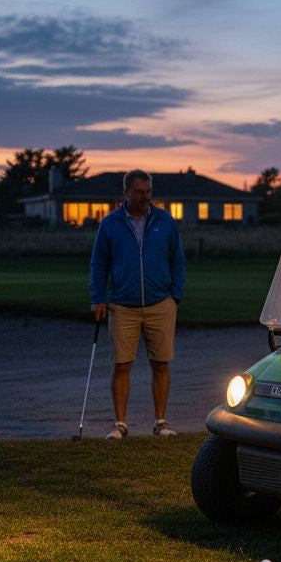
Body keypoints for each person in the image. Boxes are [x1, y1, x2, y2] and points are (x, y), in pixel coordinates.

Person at [89, 169, 186, 439]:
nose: (146, 197)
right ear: (126, 193)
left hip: (161, 303)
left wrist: (175, 295)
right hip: (123, 305)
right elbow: (99, 263)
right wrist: (98, 297)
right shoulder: (110, 224)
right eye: (140, 192)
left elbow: (177, 260)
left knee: (160, 363)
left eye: (148, 191)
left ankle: (161, 422)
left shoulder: (165, 221)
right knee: (122, 365)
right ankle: (120, 424)